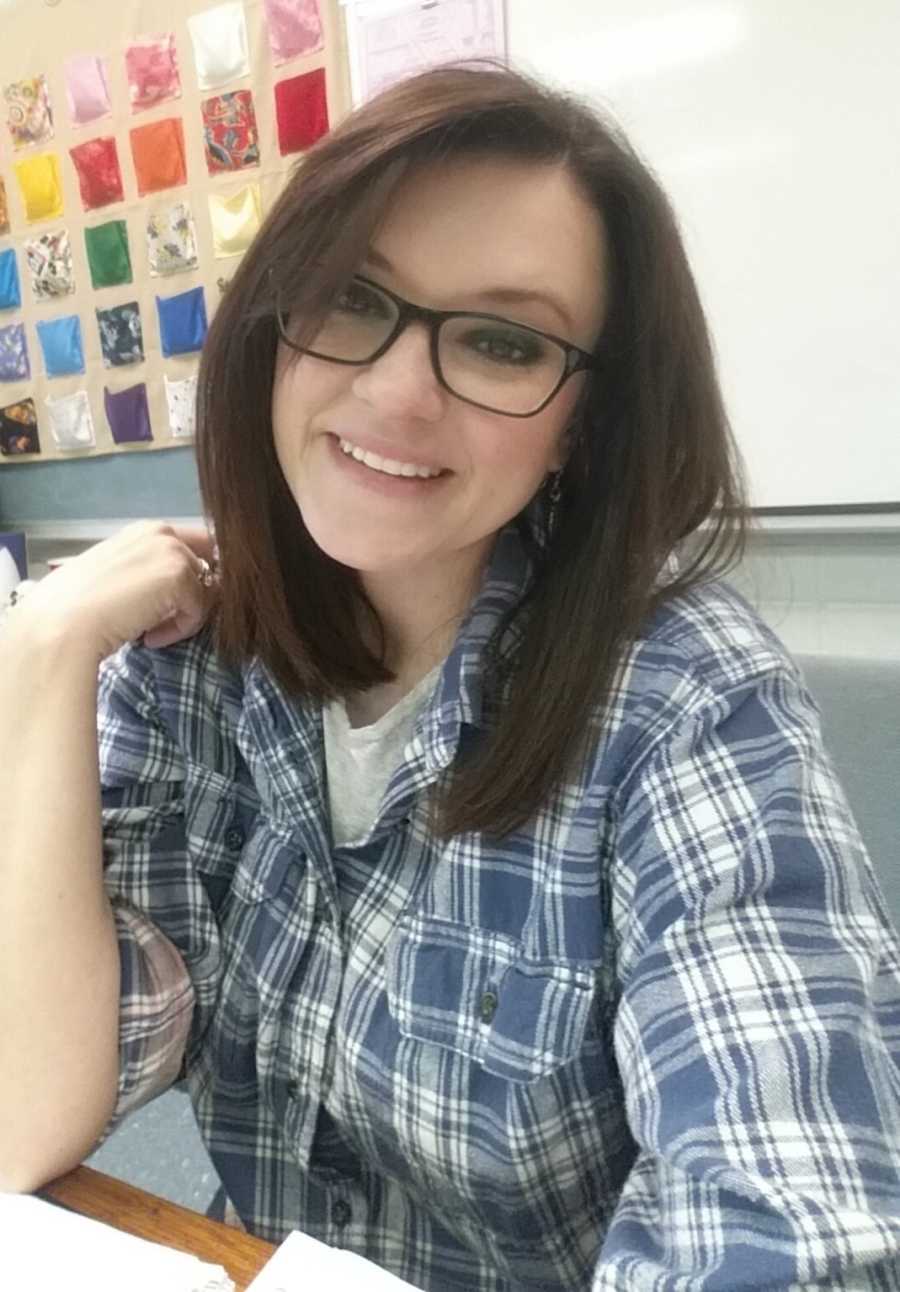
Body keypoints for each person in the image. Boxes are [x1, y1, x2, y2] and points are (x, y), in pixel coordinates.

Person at [1, 61, 899, 1291]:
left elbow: (784, 1203)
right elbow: (31, 1107)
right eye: (351, 298)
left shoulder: (685, 698)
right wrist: (41, 660)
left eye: (499, 339)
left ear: (582, 416)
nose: (394, 390)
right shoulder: (190, 660)